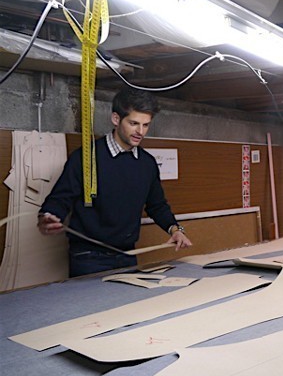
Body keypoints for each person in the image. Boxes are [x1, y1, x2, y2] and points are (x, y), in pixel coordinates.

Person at [38, 87, 192, 277]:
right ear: (116, 119)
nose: (140, 131)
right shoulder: (86, 158)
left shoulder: (147, 163)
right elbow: (61, 198)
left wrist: (175, 229)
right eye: (134, 123)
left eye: (146, 125)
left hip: (127, 255)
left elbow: (157, 205)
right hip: (88, 258)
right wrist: (49, 216)